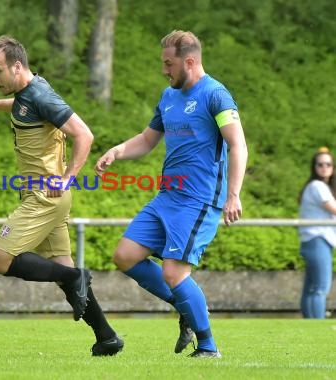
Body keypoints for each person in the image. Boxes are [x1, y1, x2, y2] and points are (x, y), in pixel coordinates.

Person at [0, 35, 124, 356]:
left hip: (45, 196)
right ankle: (106, 337)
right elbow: (25, 105)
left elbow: (84, 134)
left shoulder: (40, 94)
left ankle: (75, 276)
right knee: (65, 275)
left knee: (0, 258)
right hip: (43, 197)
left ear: (17, 66)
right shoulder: (27, 93)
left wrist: (67, 180)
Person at [95, 30, 248, 358]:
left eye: (169, 63)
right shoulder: (168, 97)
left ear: (189, 61)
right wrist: (118, 151)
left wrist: (233, 194)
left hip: (198, 200)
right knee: (125, 255)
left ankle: (208, 346)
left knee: (174, 272)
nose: (164, 70)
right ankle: (185, 308)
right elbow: (148, 139)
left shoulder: (215, 95)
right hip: (167, 197)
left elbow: (238, 145)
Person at [298, 147, 336, 319]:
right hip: (317, 240)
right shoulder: (317, 185)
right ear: (314, 167)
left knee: (312, 287)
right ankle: (317, 325)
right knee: (321, 287)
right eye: (320, 164)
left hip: (315, 240)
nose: (324, 167)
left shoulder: (321, 186)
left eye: (328, 164)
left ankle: (309, 325)